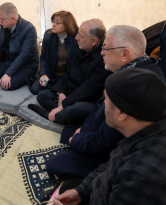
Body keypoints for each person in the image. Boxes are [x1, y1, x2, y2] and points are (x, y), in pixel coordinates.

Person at [45, 25, 166, 180]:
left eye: (106, 48)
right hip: (101, 129)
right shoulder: (147, 66)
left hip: (112, 152)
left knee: (56, 164)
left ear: (124, 54)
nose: (101, 52)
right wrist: (82, 130)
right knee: (67, 133)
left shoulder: (134, 87)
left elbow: (106, 141)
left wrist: (77, 139)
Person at [50, 68, 166, 205]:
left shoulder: (141, 175)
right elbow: (112, 165)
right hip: (105, 193)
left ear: (122, 113)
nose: (102, 105)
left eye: (106, 100)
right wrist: (81, 191)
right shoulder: (141, 132)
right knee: (69, 187)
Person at [28, 19, 111, 125]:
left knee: (77, 109)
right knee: (42, 96)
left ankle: (61, 114)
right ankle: (63, 115)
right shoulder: (80, 47)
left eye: (80, 36)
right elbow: (67, 72)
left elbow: (88, 89)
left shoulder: (104, 59)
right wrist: (62, 92)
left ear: (94, 41)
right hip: (71, 92)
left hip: (87, 99)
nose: (76, 38)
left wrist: (63, 105)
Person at [0, 2, 39, 90]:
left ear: (13, 19)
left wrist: (8, 73)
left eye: (2, 19)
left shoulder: (29, 29)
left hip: (27, 65)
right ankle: (8, 75)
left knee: (8, 85)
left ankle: (25, 77)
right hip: (11, 61)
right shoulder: (4, 26)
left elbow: (24, 55)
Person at [30, 10, 79, 95]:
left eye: (58, 23)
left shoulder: (76, 38)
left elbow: (78, 63)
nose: (54, 25)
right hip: (51, 73)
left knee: (60, 91)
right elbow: (43, 58)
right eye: (53, 22)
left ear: (67, 25)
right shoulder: (48, 35)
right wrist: (43, 74)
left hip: (67, 75)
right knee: (35, 89)